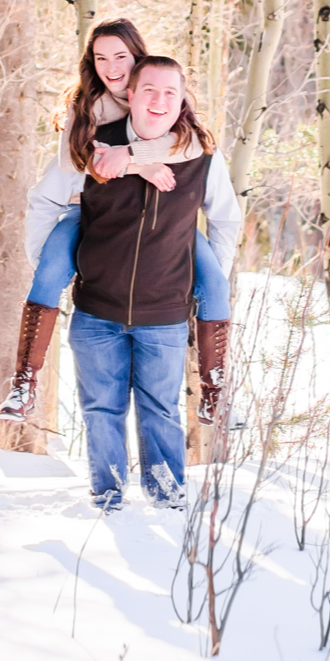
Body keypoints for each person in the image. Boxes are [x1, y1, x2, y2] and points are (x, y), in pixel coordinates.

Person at [0, 18, 233, 423]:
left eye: (120, 56)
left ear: (137, 58)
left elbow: (193, 145)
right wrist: (131, 164)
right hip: (88, 210)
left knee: (215, 283)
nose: (111, 66)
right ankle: (24, 383)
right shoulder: (85, 108)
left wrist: (132, 156)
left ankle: (216, 392)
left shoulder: (161, 93)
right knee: (49, 272)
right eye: (100, 57)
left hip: (167, 224)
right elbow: (71, 165)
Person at [68, 54, 241, 512]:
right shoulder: (93, 147)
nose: (159, 100)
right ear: (131, 94)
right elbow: (52, 202)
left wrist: (203, 277)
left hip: (163, 315)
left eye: (170, 92)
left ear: (182, 98)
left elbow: (225, 219)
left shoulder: (201, 155)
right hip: (95, 311)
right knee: (101, 411)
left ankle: (167, 500)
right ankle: (107, 499)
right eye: (149, 90)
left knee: (161, 411)